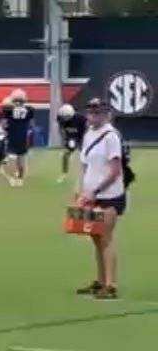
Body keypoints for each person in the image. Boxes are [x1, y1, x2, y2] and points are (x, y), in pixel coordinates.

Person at [71, 97, 128, 299]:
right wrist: (79, 191)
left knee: (105, 237)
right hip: (91, 195)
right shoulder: (88, 134)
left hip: (109, 195)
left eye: (98, 112)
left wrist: (95, 190)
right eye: (91, 111)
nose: (93, 115)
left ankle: (111, 284)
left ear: (106, 114)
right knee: (95, 237)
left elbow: (114, 170)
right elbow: (84, 166)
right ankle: (101, 280)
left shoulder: (111, 136)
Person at [1, 88, 36, 187]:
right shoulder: (29, 110)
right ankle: (20, 179)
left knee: (11, 159)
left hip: (12, 136)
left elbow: (4, 125)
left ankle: (12, 179)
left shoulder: (8, 110)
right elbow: (32, 125)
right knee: (21, 160)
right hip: (22, 137)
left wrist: (6, 128)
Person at [58, 102, 87, 184]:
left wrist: (83, 140)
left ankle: (86, 174)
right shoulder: (61, 118)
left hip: (82, 137)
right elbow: (61, 129)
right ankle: (64, 174)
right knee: (65, 155)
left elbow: (87, 128)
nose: (64, 119)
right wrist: (65, 139)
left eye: (66, 117)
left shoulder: (80, 119)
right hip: (71, 138)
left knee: (84, 157)